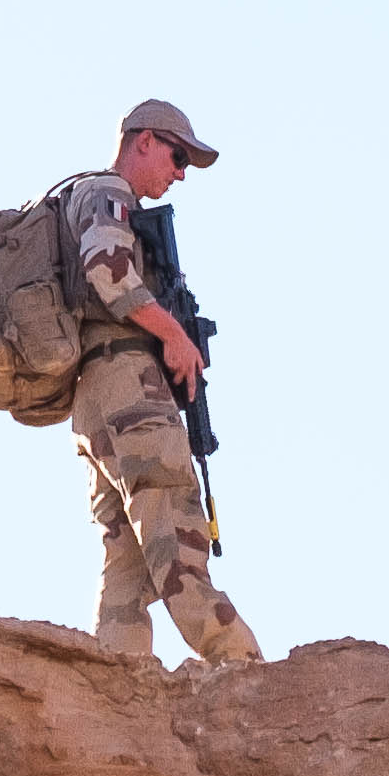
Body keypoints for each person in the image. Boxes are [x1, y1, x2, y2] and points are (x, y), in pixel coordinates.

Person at [45, 100, 258, 665]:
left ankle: (118, 682)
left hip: (94, 398)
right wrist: (174, 336)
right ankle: (244, 669)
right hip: (128, 387)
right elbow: (108, 270)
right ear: (143, 141)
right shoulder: (109, 193)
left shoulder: (83, 196)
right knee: (177, 537)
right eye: (177, 155)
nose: (181, 172)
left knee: (126, 562)